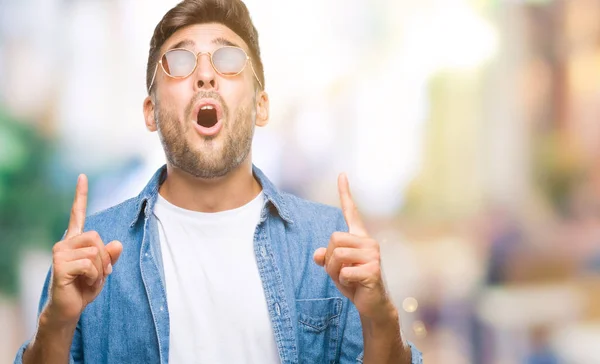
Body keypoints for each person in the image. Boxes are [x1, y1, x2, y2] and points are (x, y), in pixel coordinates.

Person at [15, 0, 422, 363]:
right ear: (150, 112)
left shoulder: (328, 242)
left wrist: (381, 321)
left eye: (228, 60)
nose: (206, 75)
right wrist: (56, 325)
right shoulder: (93, 249)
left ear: (261, 106)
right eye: (179, 61)